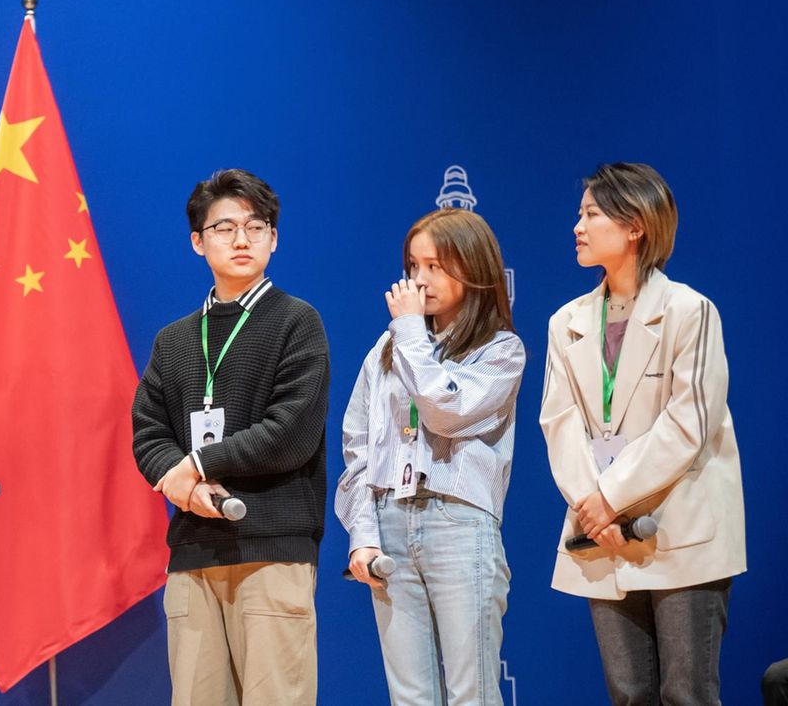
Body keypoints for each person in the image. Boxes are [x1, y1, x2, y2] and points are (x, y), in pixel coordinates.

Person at [541, 163, 745, 705]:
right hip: (600, 532)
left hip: (680, 526)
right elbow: (559, 423)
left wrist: (610, 497)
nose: (577, 226)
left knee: (687, 694)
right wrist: (593, 506)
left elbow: (689, 423)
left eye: (591, 214)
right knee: (629, 695)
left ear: (635, 226)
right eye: (579, 214)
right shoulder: (567, 321)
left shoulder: (689, 311)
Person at [132, 169, 330, 705]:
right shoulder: (173, 340)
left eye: (255, 226)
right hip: (194, 553)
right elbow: (148, 433)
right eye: (224, 228)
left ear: (274, 237)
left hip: (273, 549)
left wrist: (196, 464)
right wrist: (184, 488)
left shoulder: (297, 323)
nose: (241, 240)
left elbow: (288, 434)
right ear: (197, 241)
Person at [336, 208, 523, 705]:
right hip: (390, 522)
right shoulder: (388, 347)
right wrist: (363, 535)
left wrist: (411, 333)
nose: (420, 281)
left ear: (475, 269)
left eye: (436, 266)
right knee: (410, 698)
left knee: (473, 693)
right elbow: (357, 447)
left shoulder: (501, 351)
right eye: (413, 267)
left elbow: (445, 411)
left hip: (458, 522)